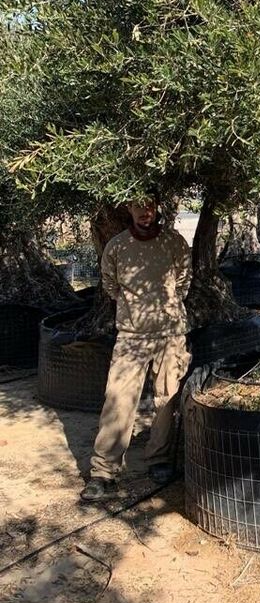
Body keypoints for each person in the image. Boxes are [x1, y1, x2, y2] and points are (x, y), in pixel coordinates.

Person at [80, 197, 192, 502]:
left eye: (150, 205)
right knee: (118, 399)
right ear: (127, 209)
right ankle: (104, 473)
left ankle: (159, 460)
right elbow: (110, 285)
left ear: (158, 207)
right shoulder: (116, 247)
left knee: (167, 399)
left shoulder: (175, 243)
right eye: (136, 206)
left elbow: (183, 283)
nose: (144, 212)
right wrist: (134, 311)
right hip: (131, 336)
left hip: (170, 334)